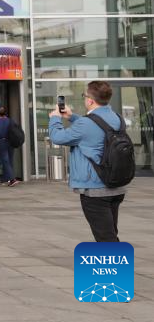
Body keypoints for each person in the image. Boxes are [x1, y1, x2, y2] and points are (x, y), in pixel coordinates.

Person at [49, 81, 129, 242]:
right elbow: (98, 127)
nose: (85, 98)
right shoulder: (117, 118)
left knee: (105, 238)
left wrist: (55, 118)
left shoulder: (85, 124)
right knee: (110, 233)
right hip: (116, 184)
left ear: (90, 100)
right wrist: (72, 117)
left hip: (95, 188)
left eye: (84, 95)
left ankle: (117, 259)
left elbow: (58, 137)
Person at [0, 106, 16, 187]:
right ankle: (6, 178)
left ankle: (12, 179)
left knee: (5, 161)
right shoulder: (10, 121)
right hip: (11, 142)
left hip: (2, 142)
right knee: (10, 160)